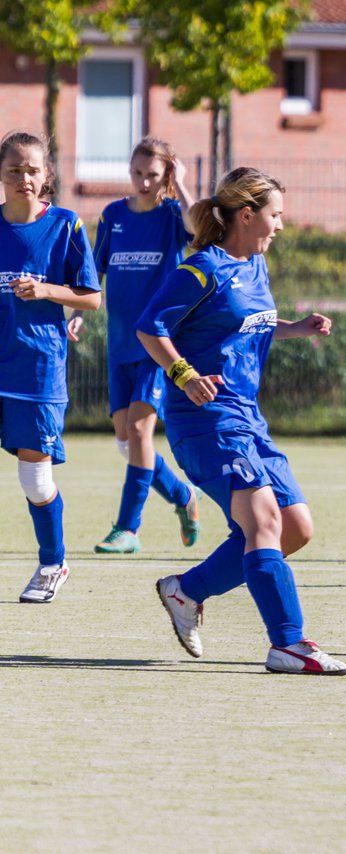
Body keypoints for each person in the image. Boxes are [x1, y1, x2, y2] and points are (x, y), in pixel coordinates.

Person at [136, 167, 346, 675]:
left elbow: (248, 322)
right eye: (275, 215)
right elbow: (151, 326)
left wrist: (295, 328)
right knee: (263, 523)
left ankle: (186, 592)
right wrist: (184, 374)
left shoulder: (255, 265)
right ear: (247, 215)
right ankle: (289, 644)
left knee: (294, 528)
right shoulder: (201, 269)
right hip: (205, 420)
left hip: (249, 420)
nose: (280, 225)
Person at [68, 137, 201, 555]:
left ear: (165, 177)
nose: (144, 182)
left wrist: (181, 182)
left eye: (154, 175)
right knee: (127, 442)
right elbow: (96, 270)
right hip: (119, 342)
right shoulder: (112, 215)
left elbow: (199, 229)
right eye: (138, 173)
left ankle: (127, 529)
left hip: (156, 343)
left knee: (142, 431)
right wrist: (78, 312)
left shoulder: (172, 215)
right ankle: (182, 495)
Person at [0, 130, 102, 602]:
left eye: (32, 170)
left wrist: (45, 291)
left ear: (46, 176)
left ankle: (53, 563)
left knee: (35, 479)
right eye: (14, 169)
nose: (24, 177)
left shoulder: (65, 225)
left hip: (36, 370)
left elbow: (92, 298)